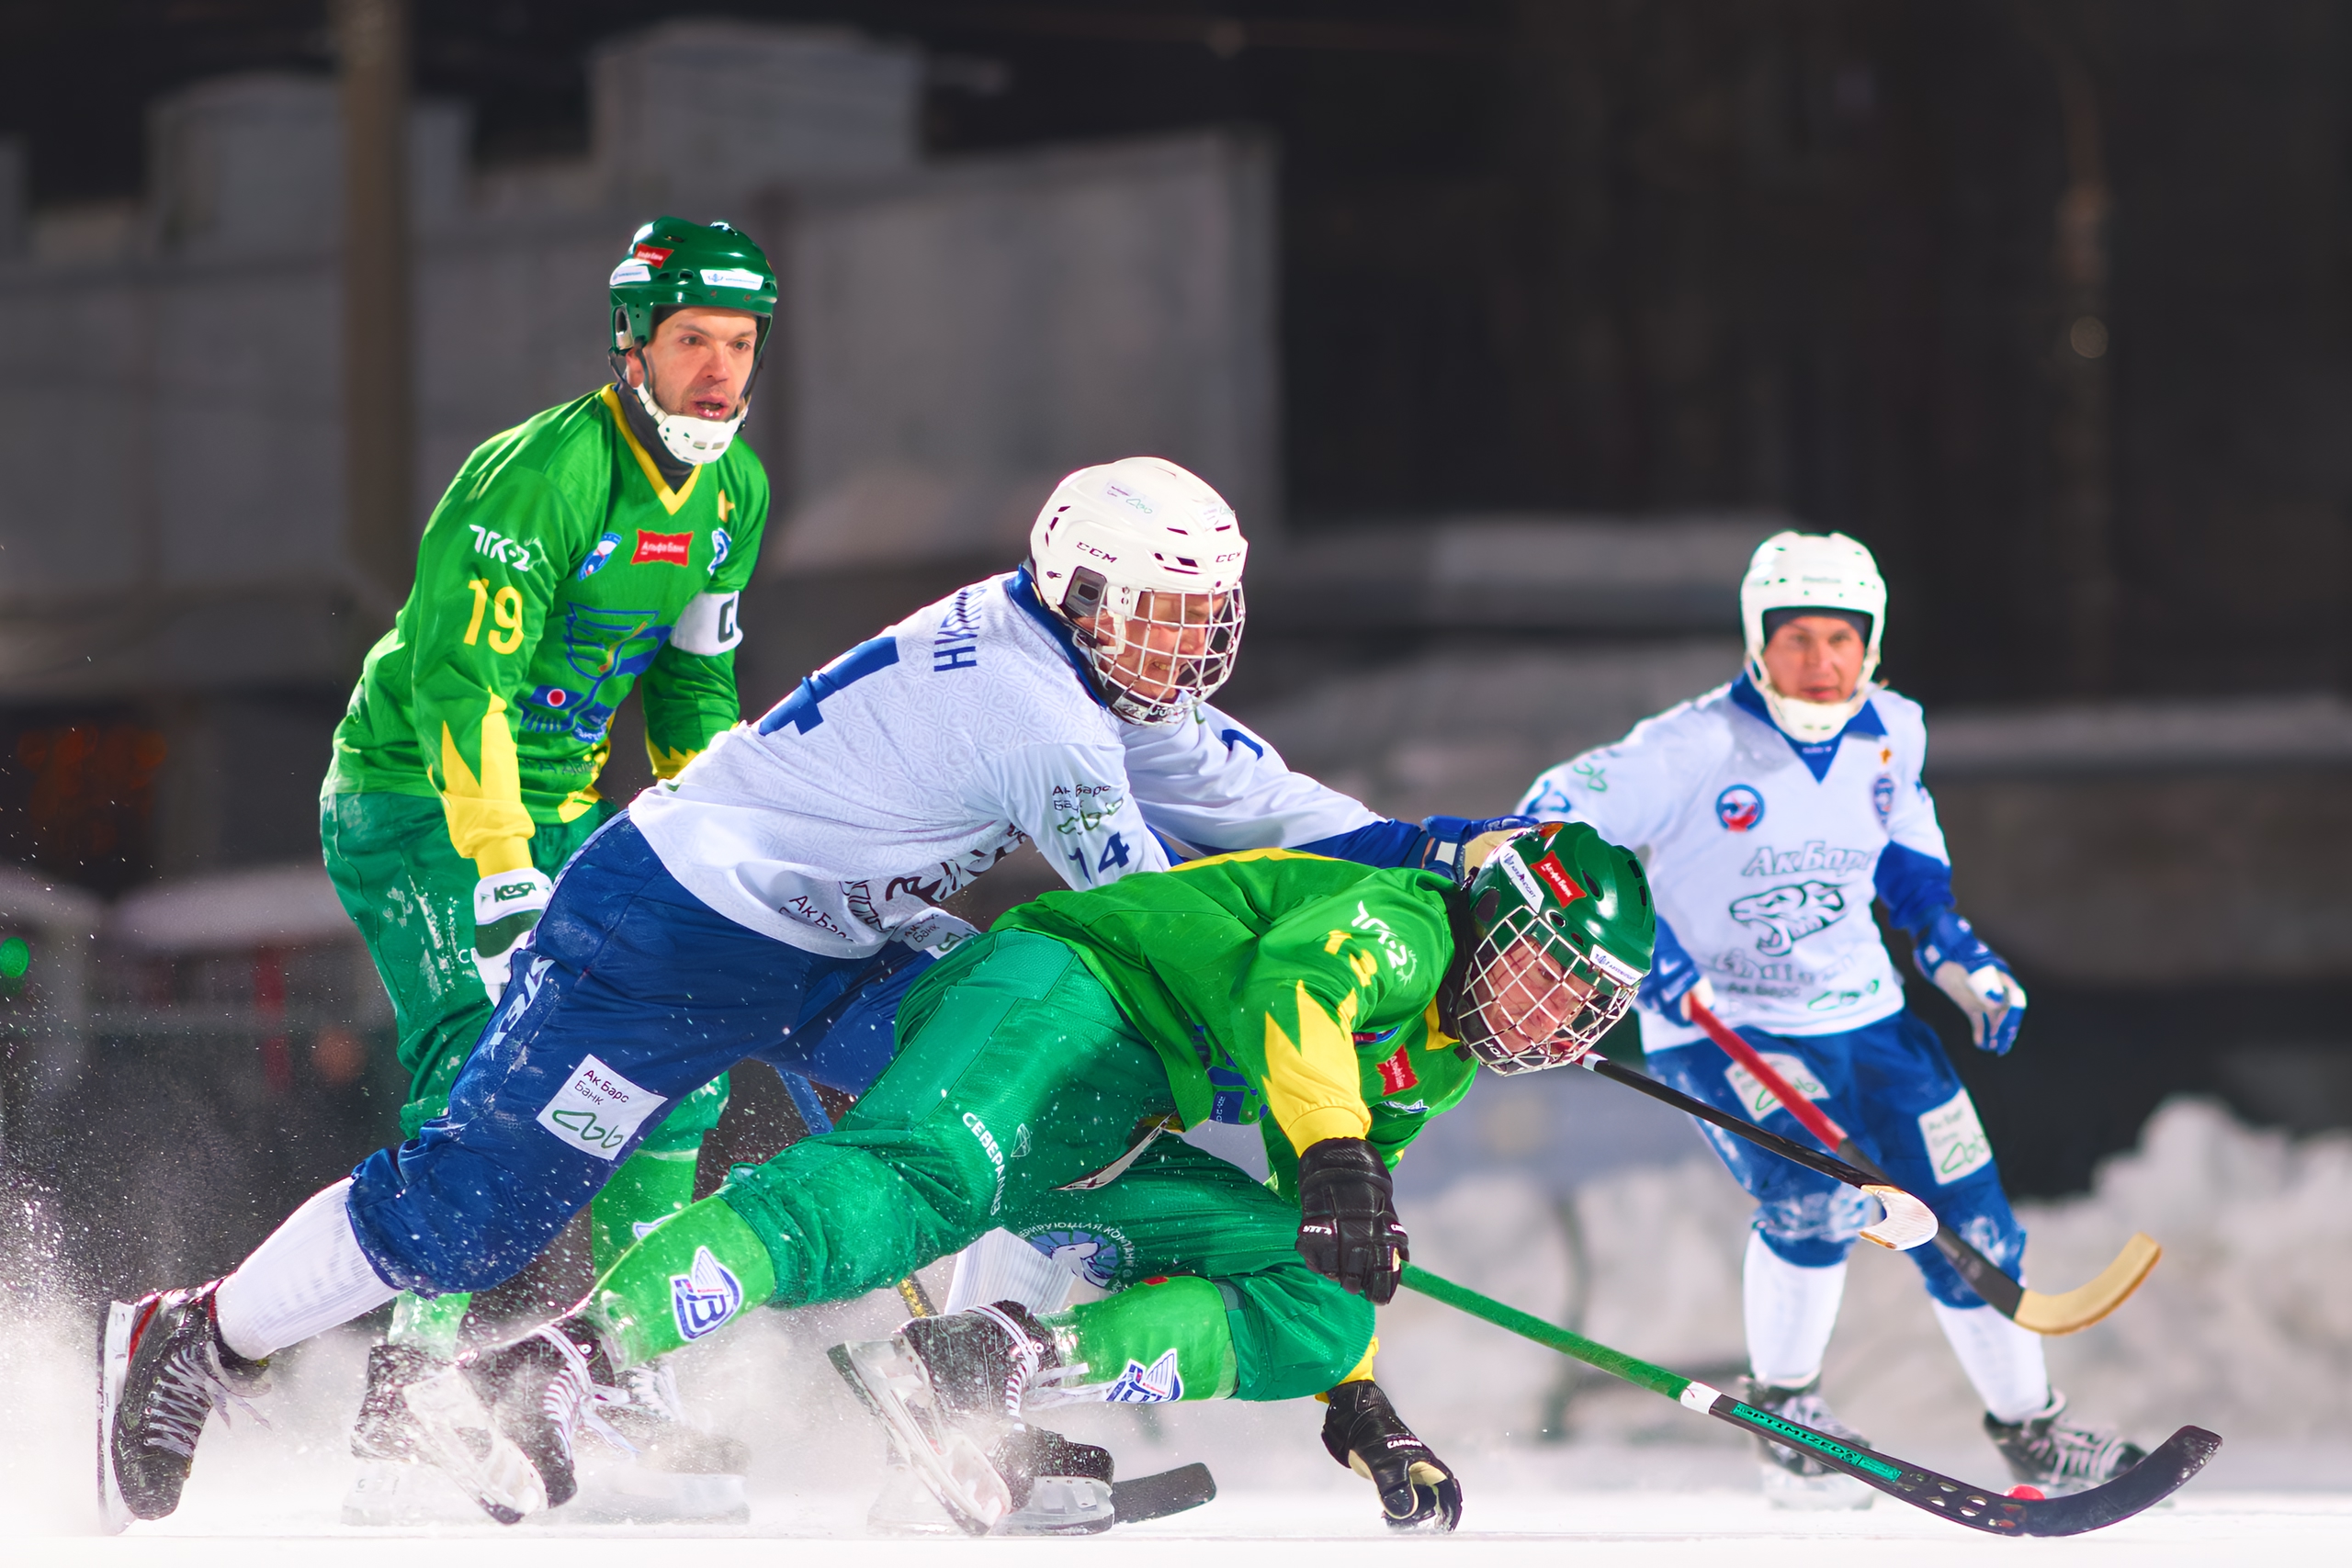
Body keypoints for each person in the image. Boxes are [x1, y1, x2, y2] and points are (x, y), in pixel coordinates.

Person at [98, 437, 1534, 1529]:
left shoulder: (1087, 671)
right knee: (471, 1210)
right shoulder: (1043, 715)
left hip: (838, 934)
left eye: (1204, 614)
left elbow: (1287, 809)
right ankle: (201, 1329)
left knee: (1035, 1087)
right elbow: (1158, 925)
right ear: (1081, 590)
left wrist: (1472, 856)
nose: (1192, 650)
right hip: (669, 918)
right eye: (1166, 615)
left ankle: (964, 1395)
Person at [386, 822, 1656, 1533]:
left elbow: (1324, 1199)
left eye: (1578, 1004)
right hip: (1065, 999)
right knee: (906, 1188)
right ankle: (558, 1363)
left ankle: (987, 1361)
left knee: (1324, 1298)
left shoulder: (1437, 1061)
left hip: (1115, 1113)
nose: (1549, 1018)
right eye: (1546, 969)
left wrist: (1359, 1391)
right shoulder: (1407, 919)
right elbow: (1298, 994)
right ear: (1499, 912)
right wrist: (1334, 1153)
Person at [1517, 530, 2142, 1506]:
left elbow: (1902, 849)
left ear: (1874, 642)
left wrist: (1952, 951)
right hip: (1727, 1030)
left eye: (1840, 639)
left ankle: (2032, 1432)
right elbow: (1546, 821)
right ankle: (1789, 1426)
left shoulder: (1894, 729)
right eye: (1794, 637)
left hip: (1870, 1023)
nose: (1819, 663)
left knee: (1974, 1225)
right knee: (1812, 1204)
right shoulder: (1685, 747)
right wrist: (1643, 953)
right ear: (1753, 642)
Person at [319, 214, 776, 1515]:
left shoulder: (732, 495)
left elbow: (693, 687)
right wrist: (506, 866)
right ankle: (405, 1391)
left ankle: (618, 1376)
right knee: (486, 1063)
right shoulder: (543, 475)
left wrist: (719, 836)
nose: (719, 370)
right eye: (694, 337)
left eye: (740, 343)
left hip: (564, 808)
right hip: (418, 802)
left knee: (669, 1066)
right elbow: (463, 685)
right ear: (632, 338)